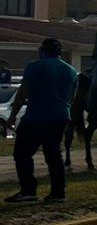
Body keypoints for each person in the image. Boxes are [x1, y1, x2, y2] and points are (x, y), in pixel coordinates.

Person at [4, 38, 78, 204]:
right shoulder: (71, 71)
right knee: (53, 155)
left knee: (22, 153)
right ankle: (58, 193)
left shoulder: (35, 66)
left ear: (42, 50)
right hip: (61, 116)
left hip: (37, 116)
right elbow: (71, 98)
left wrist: (12, 115)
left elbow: (23, 92)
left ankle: (28, 190)